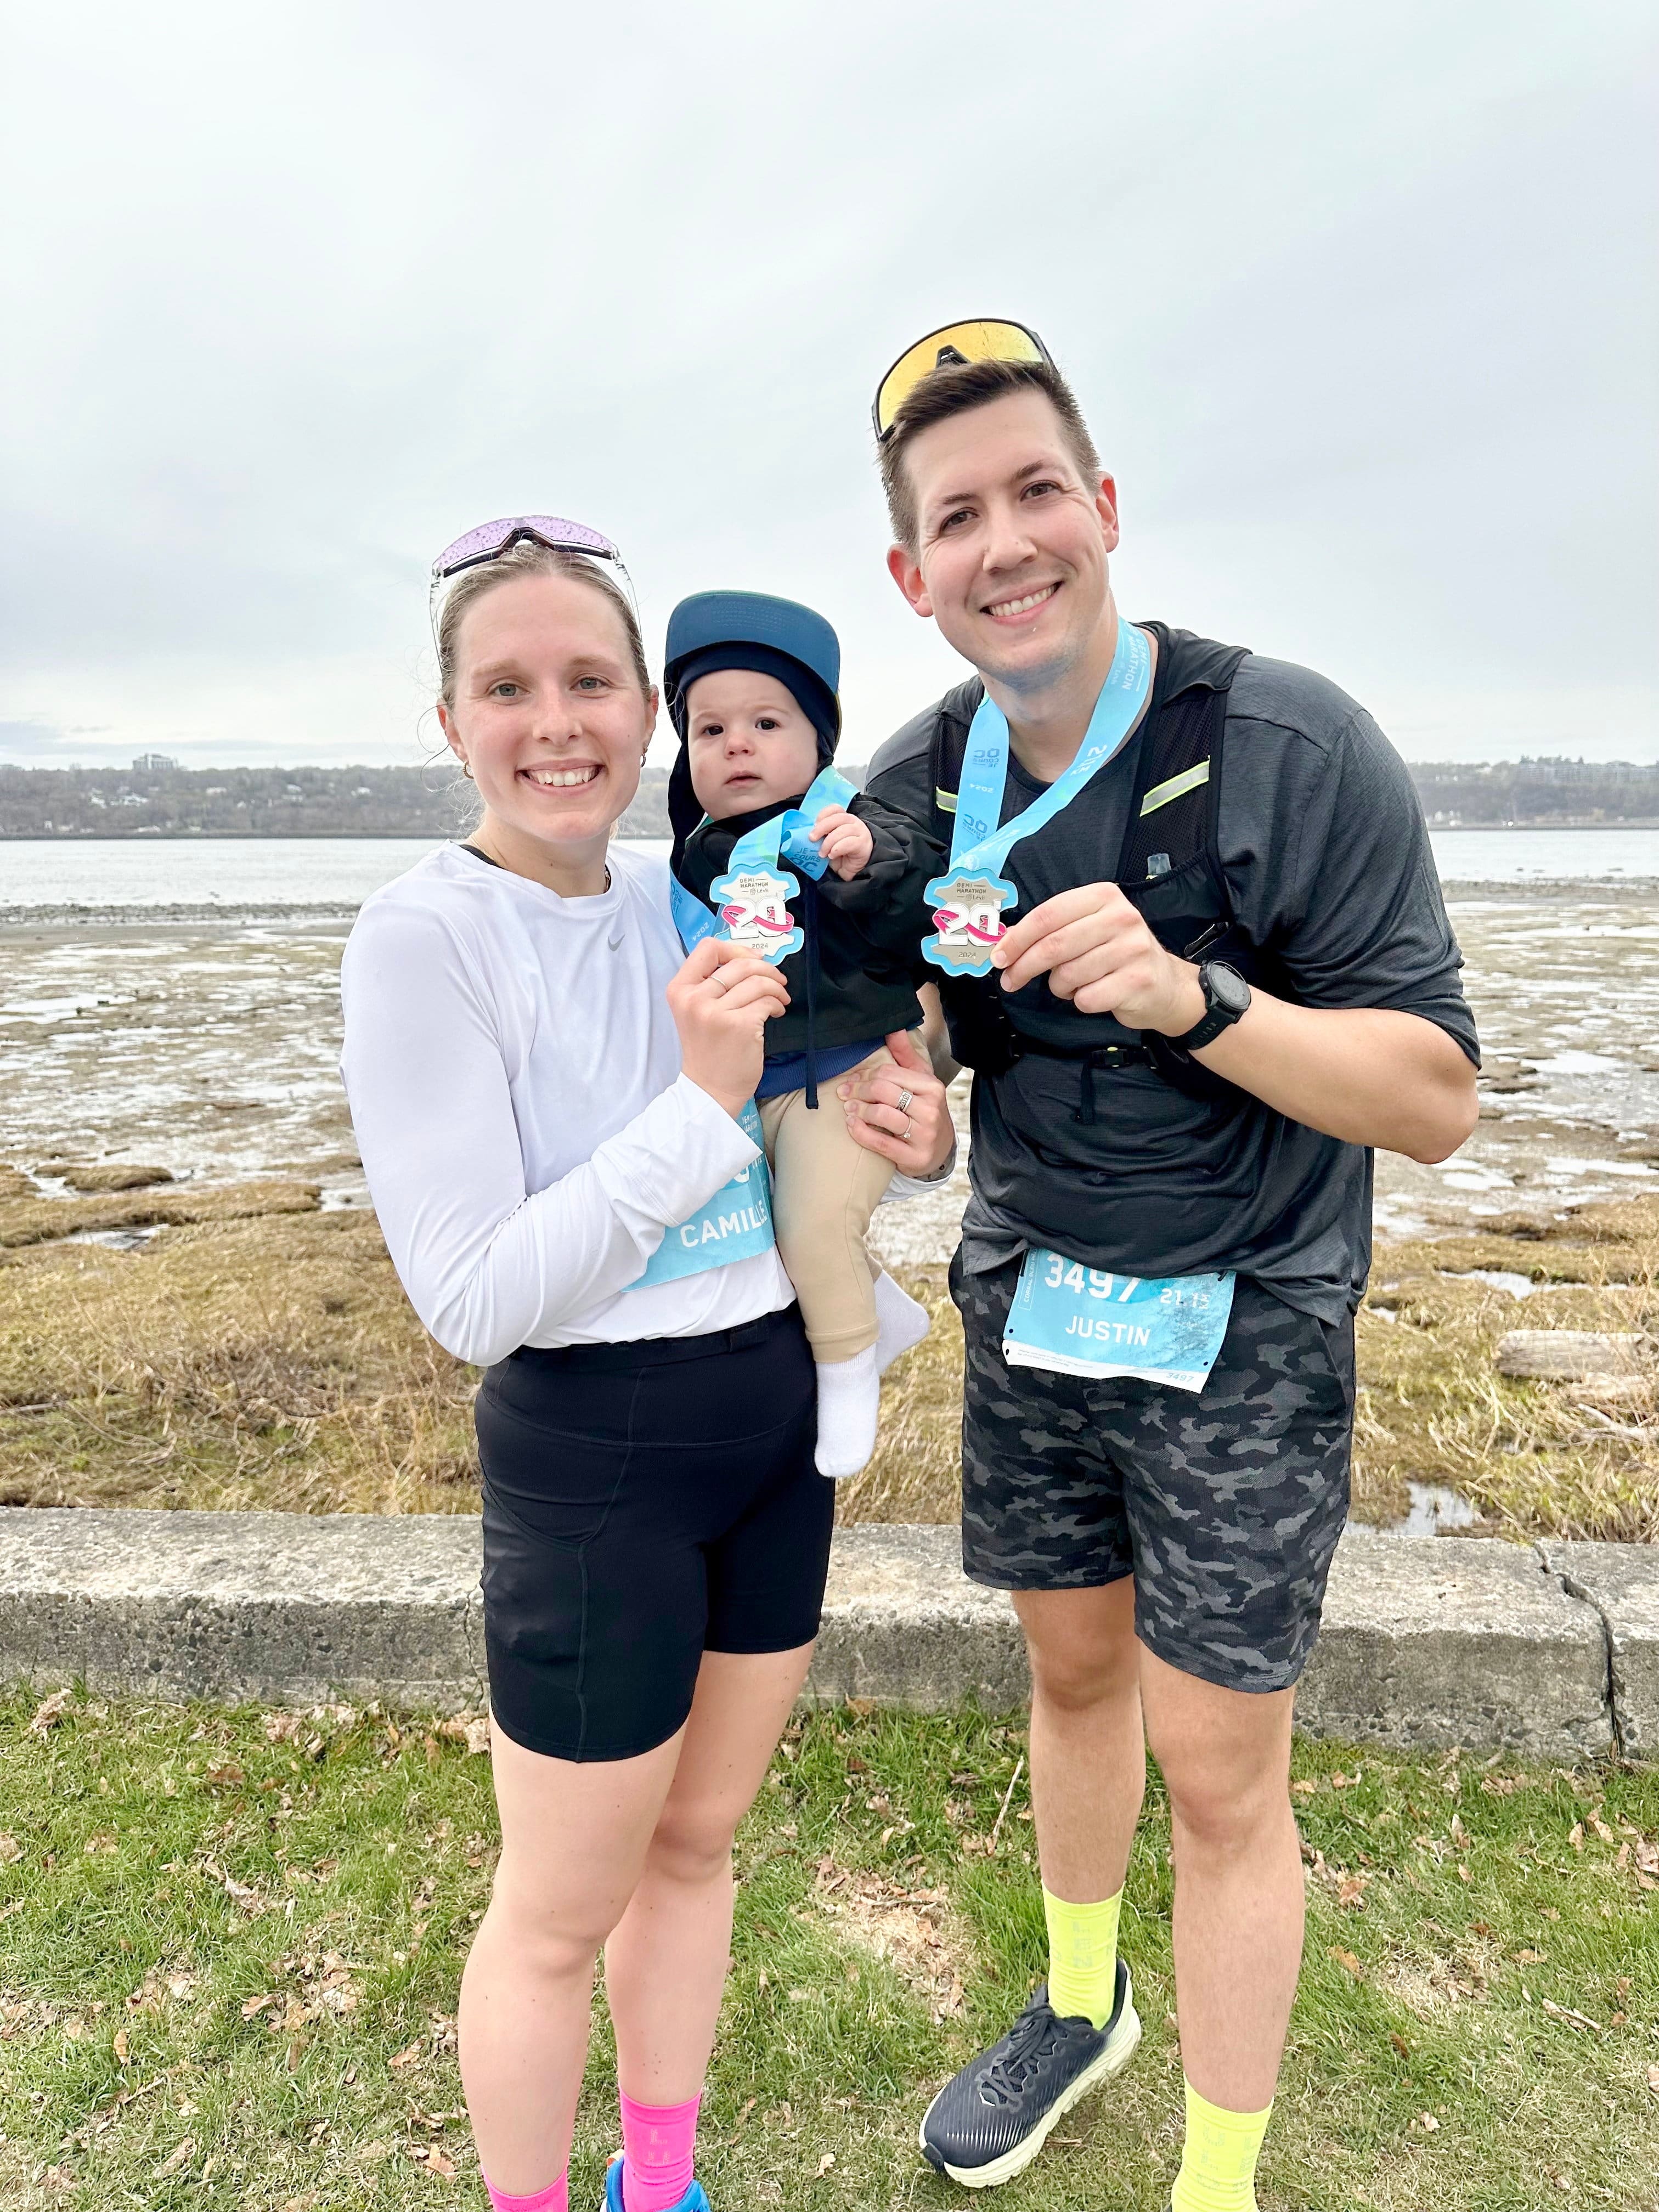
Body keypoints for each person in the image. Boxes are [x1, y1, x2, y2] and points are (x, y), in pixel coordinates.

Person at [860, 326, 1481, 2208]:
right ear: (912, 572)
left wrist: (1193, 995)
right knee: (1070, 1683)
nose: (1005, 543)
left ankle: (1216, 2179)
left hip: (1245, 1327)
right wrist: (903, 1100)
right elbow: (906, 1037)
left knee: (1219, 1774)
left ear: (1105, 507)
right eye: (956, 516)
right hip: (1033, 1306)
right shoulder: (923, 782)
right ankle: (1080, 2006)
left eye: (1035, 489)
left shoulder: (1286, 746)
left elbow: (1434, 1098)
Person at [337, 517, 953, 2212]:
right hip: (597, 1459)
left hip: (774, 1426)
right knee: (557, 1916)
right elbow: (473, 1298)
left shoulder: (688, 888)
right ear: (450, 720)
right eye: (508, 688)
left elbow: (832, 1068)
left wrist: (918, 1136)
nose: (558, 723)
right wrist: (695, 1107)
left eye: (592, 682)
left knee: (697, 1847)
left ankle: (660, 2185)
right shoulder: (425, 937)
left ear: (647, 713)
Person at [663, 589, 936, 1476]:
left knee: (814, 1225)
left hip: (850, 1073)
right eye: (709, 730)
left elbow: (917, 905)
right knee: (768, 1233)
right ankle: (882, 1312)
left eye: (766, 722)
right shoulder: (698, 855)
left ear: (820, 742)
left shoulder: (846, 826)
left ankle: (849, 1369)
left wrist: (867, 862)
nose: (736, 744)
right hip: (754, 1085)